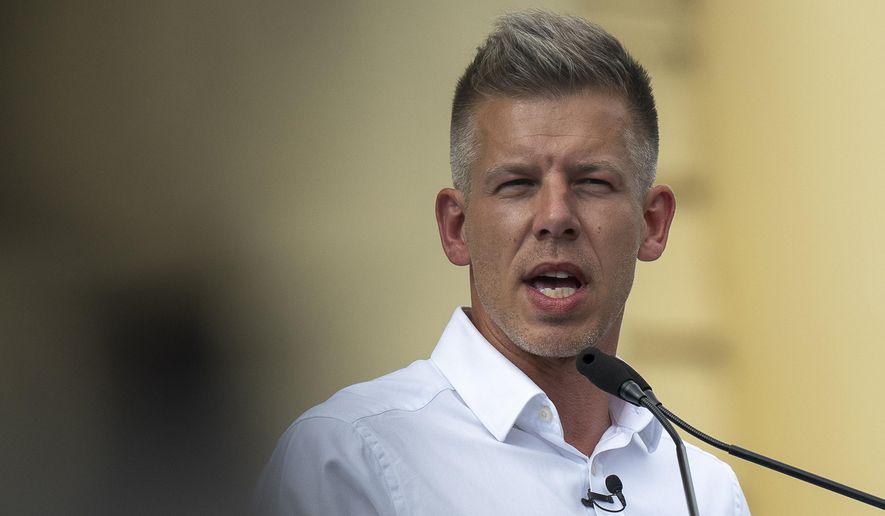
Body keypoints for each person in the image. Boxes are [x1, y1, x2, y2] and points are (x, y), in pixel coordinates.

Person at [255, 10, 750, 515]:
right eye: (516, 184)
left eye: (593, 182)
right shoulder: (347, 457)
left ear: (653, 223)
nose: (555, 217)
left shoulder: (705, 491)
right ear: (457, 228)